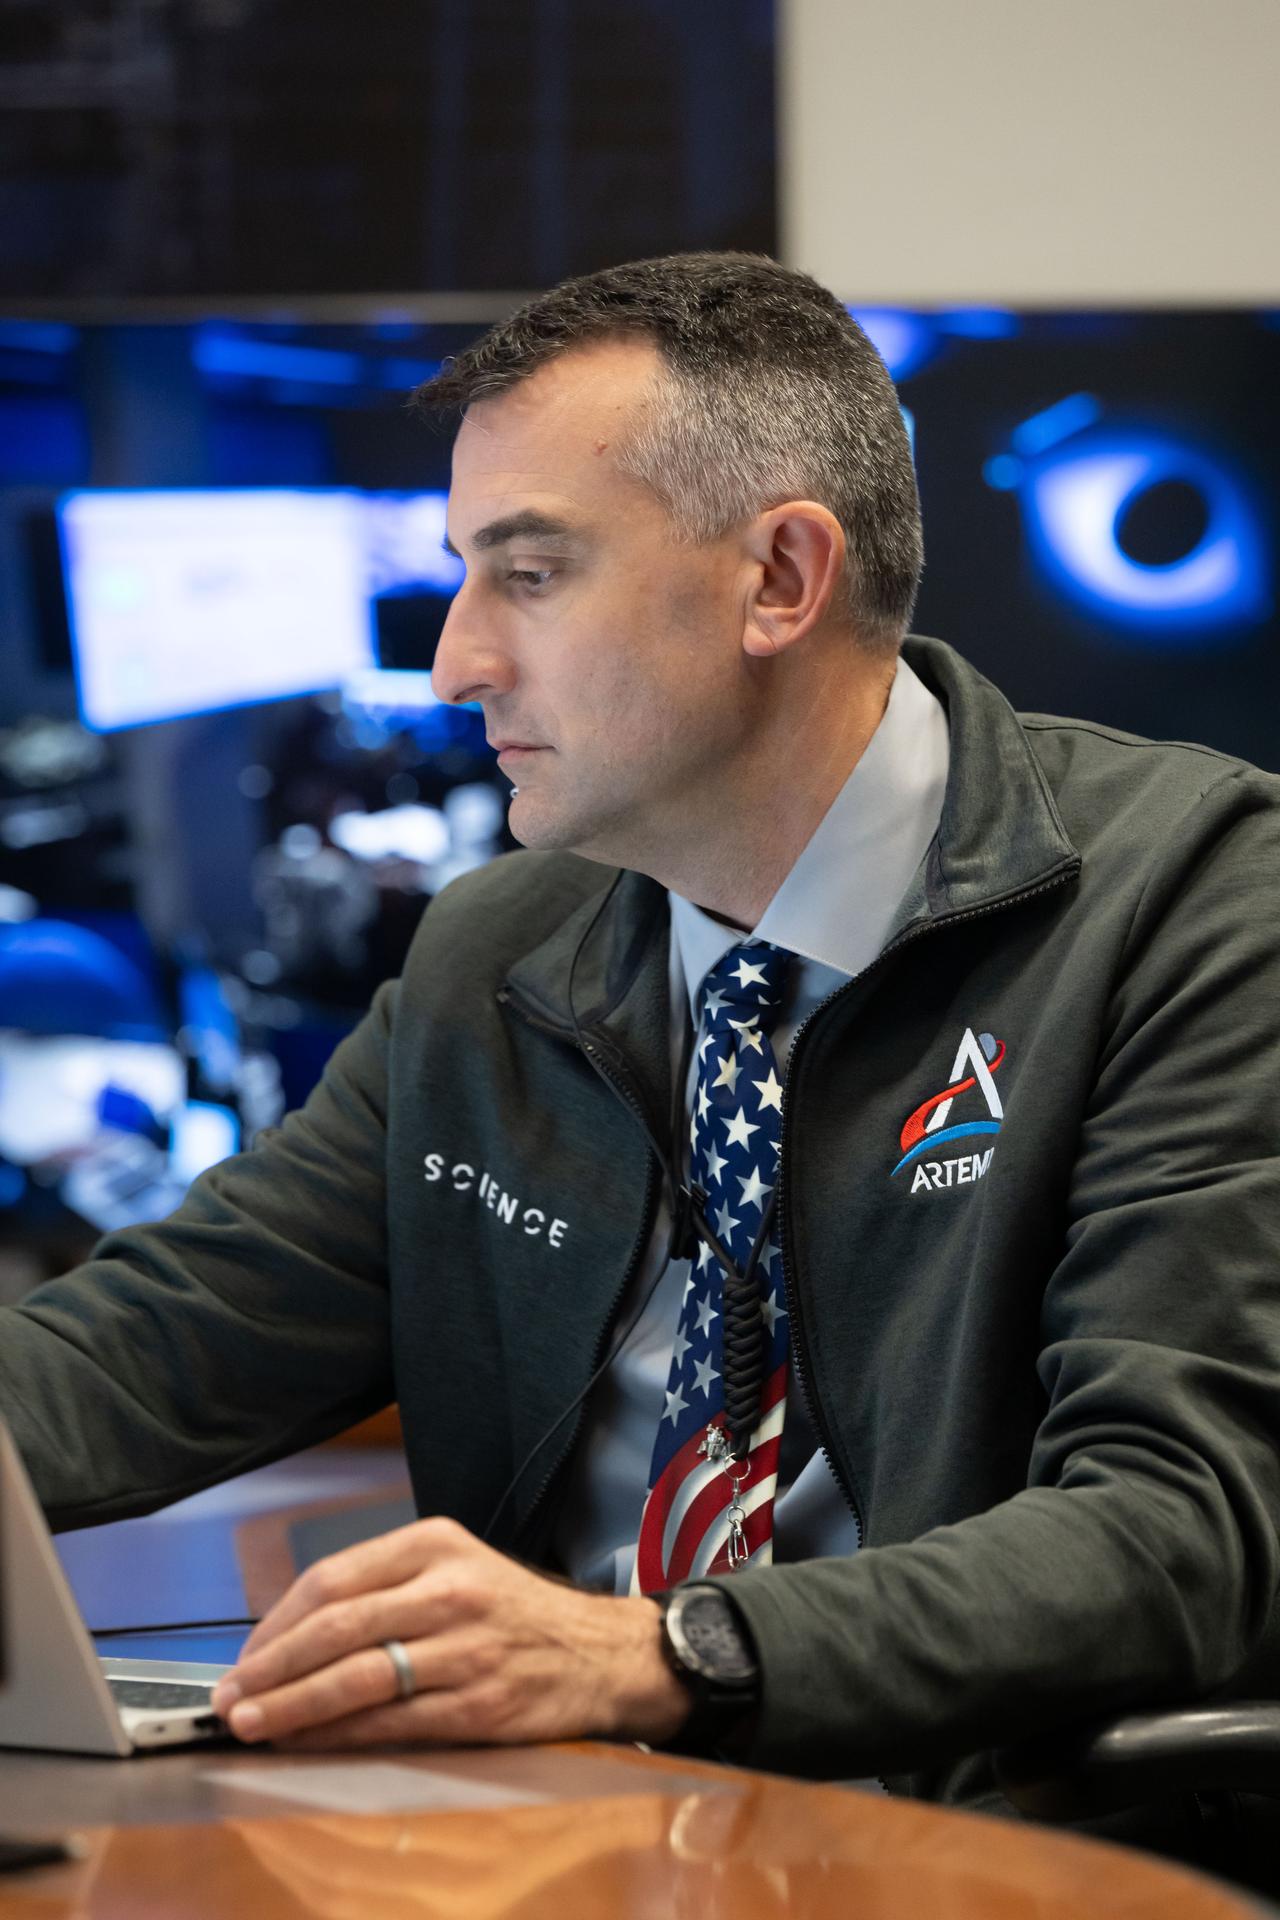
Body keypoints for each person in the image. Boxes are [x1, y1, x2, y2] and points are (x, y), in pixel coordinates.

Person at [2, 253, 1279, 1827]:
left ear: (780, 580)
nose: (455, 660)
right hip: (555, 1834)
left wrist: (659, 1653)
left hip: (947, 1839)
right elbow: (160, 1338)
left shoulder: (1202, 908)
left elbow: (1176, 1531)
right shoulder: (499, 951)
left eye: (529, 575)